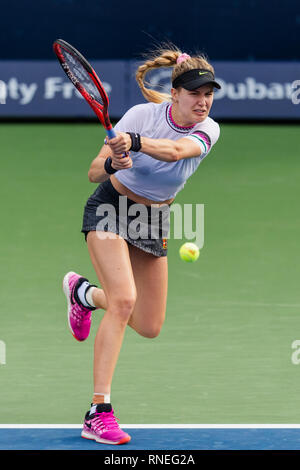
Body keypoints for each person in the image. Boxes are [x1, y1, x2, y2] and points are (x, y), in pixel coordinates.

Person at [62, 46, 221, 445]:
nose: (202, 101)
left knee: (149, 326)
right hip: (111, 208)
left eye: (208, 94)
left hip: (153, 219)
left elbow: (174, 151)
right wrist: (114, 162)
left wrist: (133, 143)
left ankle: (83, 293)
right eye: (194, 93)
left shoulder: (209, 130)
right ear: (175, 94)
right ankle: (97, 412)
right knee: (124, 302)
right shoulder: (140, 115)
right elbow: (93, 171)